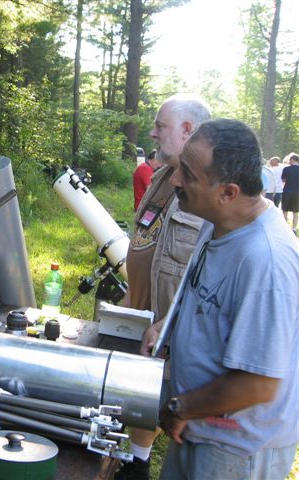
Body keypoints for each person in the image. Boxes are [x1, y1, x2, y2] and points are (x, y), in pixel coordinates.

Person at [159, 118, 298, 479]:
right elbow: (208, 297)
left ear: (228, 192)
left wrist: (180, 406)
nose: (175, 180)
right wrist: (167, 326)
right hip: (199, 429)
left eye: (188, 175)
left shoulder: (266, 261)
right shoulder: (217, 222)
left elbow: (258, 384)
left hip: (236, 451)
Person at [116, 94, 211, 480]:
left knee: (163, 399)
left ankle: (140, 462)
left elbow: (206, 271)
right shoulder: (160, 177)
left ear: (188, 130)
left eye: (160, 126)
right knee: (133, 393)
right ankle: (133, 458)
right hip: (139, 310)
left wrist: (172, 319)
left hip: (170, 326)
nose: (153, 133)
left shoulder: (207, 189)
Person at [281, 152, 299, 234]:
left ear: (292, 160)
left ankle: (285, 227)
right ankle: (294, 228)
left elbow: (283, 180)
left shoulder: (286, 169)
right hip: (297, 192)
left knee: (285, 210)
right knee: (295, 212)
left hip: (287, 191)